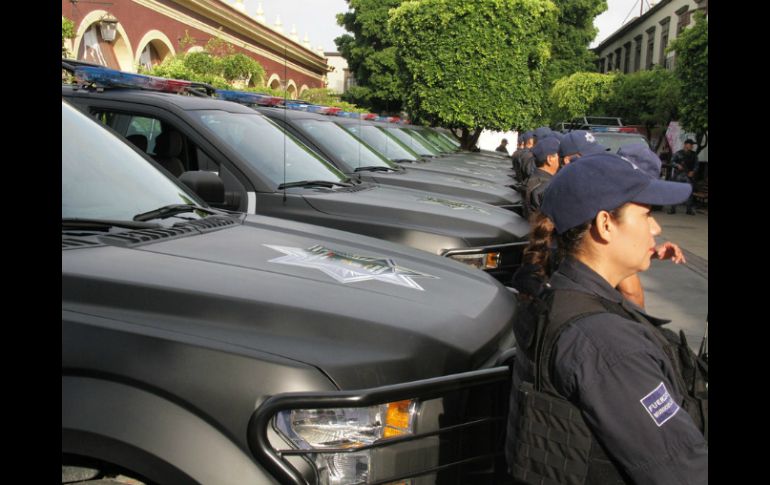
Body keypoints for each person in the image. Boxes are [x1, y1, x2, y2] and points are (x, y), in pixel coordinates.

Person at [505, 152, 707, 485]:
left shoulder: (559, 292)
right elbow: (688, 472)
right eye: (647, 214)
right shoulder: (607, 347)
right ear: (605, 224)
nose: (655, 227)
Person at [615, 143, 687, 307]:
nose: (655, 229)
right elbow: (630, 291)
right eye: (645, 215)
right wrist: (643, 326)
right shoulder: (618, 205)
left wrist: (650, 252)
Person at [523, 137, 560, 218]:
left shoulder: (535, 177)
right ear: (550, 159)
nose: (562, 160)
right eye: (560, 156)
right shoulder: (547, 186)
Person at [667, 139, 699, 215]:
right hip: (679, 176)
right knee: (676, 192)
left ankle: (689, 210)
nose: (691, 146)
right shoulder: (678, 153)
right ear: (685, 145)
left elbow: (696, 165)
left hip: (689, 176)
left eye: (692, 144)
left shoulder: (694, 155)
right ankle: (673, 209)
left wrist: (693, 171)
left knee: (689, 193)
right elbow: (671, 162)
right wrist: (677, 165)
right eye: (690, 144)